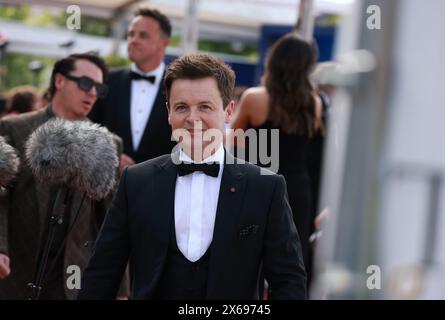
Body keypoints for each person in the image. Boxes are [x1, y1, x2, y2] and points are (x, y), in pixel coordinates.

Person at [78, 53, 306, 300]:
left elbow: (288, 281)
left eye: (205, 107)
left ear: (228, 111)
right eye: (181, 107)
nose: (192, 118)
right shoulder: (136, 181)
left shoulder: (265, 187)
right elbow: (103, 272)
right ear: (168, 113)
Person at [0, 53, 128, 299]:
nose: (92, 93)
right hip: (17, 271)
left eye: (98, 87)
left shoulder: (108, 144)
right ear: (59, 81)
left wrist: (121, 288)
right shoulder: (14, 128)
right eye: (85, 83)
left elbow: (111, 220)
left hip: (71, 278)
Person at [228, 33, 324, 291]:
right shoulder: (314, 103)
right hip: (297, 188)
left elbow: (233, 142)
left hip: (261, 182)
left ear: (275, 60)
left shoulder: (255, 98)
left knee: (251, 257)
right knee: (291, 260)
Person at [88, 7, 175, 170]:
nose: (133, 40)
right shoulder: (106, 80)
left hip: (159, 188)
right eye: (131, 34)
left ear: (164, 43)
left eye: (143, 35)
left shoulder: (178, 86)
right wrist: (108, 155)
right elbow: (87, 128)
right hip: (107, 186)